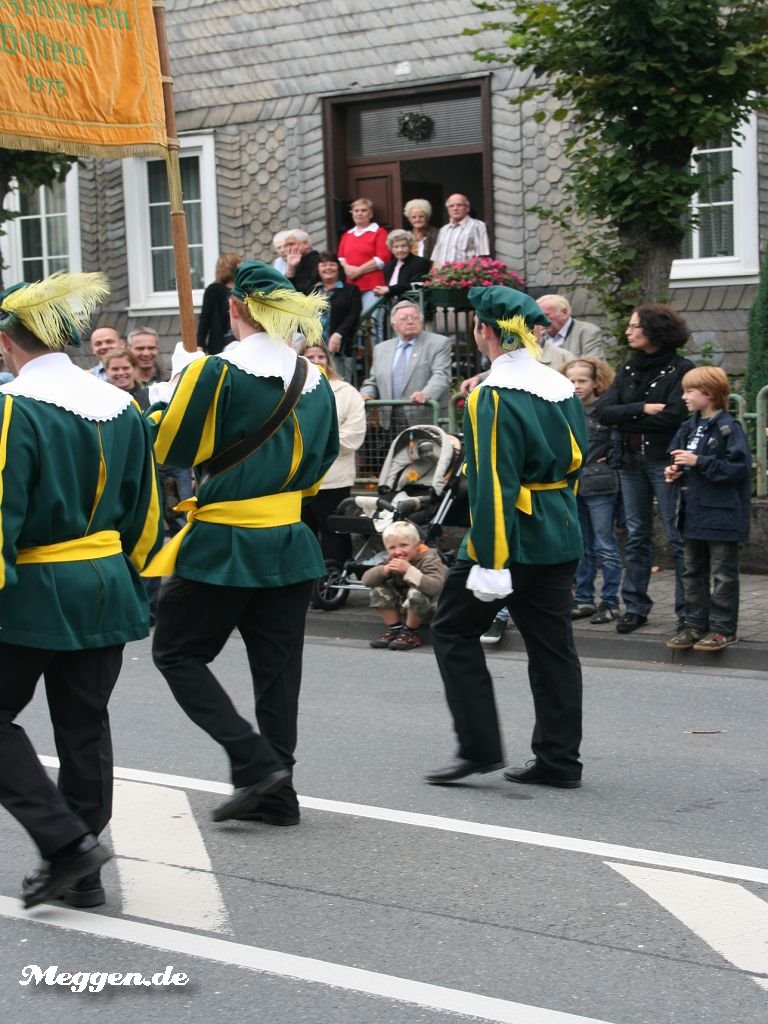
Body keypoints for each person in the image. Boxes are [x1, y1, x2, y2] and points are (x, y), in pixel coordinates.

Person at [146, 261, 339, 828]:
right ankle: (279, 794)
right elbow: (323, 461)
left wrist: (173, 388)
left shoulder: (216, 371)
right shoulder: (315, 379)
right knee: (277, 673)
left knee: (176, 652)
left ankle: (256, 765)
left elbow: (170, 449)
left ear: (234, 309)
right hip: (290, 538)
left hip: (226, 538)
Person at [0, 271, 162, 909]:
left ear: (7, 342)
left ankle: (68, 846)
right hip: (107, 581)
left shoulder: (14, 408)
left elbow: (2, 510)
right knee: (84, 727)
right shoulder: (122, 406)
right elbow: (146, 511)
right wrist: (130, 574)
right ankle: (83, 875)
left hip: (35, 587)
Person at [425, 285, 587, 790]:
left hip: (508, 539)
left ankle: (479, 747)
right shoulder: (561, 387)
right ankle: (559, 759)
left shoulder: (491, 396)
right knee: (553, 649)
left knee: (452, 631)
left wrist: (492, 561)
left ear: (484, 331)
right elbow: (575, 464)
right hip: (558, 530)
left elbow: (494, 483)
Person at [596, 304, 695, 634]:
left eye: (634, 326)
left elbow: (674, 416)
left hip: (664, 461)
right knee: (636, 535)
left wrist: (626, 417)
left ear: (654, 330)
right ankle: (635, 607)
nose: (628, 331)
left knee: (676, 535)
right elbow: (603, 411)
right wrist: (642, 408)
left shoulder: (681, 369)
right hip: (630, 461)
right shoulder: (629, 368)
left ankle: (688, 611)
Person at [664, 367, 751, 653]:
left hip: (722, 514)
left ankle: (723, 629)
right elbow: (677, 458)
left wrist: (699, 462)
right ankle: (694, 625)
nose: (684, 397)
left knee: (723, 574)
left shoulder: (729, 428)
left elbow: (738, 469)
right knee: (692, 570)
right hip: (691, 513)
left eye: (690, 391)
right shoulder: (688, 427)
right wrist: (674, 470)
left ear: (710, 393)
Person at [562, 358, 622, 624]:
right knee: (581, 544)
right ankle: (584, 598)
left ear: (596, 382)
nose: (576, 386)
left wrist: (610, 459)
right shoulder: (564, 410)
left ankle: (610, 601)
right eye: (571, 380)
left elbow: (617, 443)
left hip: (600, 485)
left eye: (582, 380)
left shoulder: (604, 411)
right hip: (573, 485)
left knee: (604, 544)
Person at [298, 338, 366, 564]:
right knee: (303, 533)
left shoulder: (347, 393)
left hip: (334, 478)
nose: (317, 361)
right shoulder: (291, 390)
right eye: (310, 357)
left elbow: (354, 434)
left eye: (321, 356)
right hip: (300, 477)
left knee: (334, 534)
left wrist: (317, 443)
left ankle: (336, 579)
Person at [359, 299, 452, 432]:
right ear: (394, 324)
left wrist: (426, 394)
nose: (410, 321)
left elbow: (441, 375)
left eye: (415, 318)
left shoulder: (439, 343)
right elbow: (374, 381)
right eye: (404, 318)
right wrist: (365, 395)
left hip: (425, 418)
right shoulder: (381, 349)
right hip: (391, 421)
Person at [362, 520, 448, 652]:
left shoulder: (429, 558)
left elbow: (435, 587)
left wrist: (409, 570)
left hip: (434, 605)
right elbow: (366, 581)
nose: (398, 551)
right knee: (377, 586)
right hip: (405, 603)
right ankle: (395, 628)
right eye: (392, 548)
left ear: (417, 545)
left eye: (404, 545)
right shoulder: (392, 559)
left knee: (416, 591)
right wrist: (385, 569)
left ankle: (411, 632)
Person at [337, 197, 390, 317]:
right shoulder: (347, 235)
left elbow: (382, 259)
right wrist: (347, 268)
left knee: (371, 321)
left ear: (370, 214)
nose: (359, 213)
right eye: (356, 211)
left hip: (373, 286)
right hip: (351, 287)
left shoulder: (379, 232)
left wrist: (359, 271)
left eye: (363, 210)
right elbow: (341, 258)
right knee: (353, 321)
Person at [316, 250, 362, 383]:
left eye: (332, 264)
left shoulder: (351, 290)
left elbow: (353, 315)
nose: (328, 268)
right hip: (315, 349)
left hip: (340, 348)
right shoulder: (312, 290)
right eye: (323, 265)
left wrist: (338, 334)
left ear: (338, 267)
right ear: (317, 269)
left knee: (340, 384)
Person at [197, 252, 241, 354]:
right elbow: (205, 319)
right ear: (231, 266)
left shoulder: (243, 288)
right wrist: (200, 345)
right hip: (222, 345)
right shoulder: (214, 290)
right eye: (239, 264)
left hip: (242, 343)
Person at [537, 294, 605, 359]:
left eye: (546, 315)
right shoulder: (539, 336)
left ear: (564, 313)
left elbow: (594, 363)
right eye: (539, 317)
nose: (541, 321)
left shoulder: (587, 332)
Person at [430, 194, 490, 266]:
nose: (455, 208)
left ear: (467, 208)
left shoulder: (477, 226)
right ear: (448, 210)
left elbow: (482, 256)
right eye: (451, 206)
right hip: (441, 272)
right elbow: (436, 259)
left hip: (465, 273)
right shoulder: (443, 230)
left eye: (459, 205)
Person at [373, 229, 432, 303]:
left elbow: (417, 284)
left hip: (412, 305)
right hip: (391, 306)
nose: (400, 250)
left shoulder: (420, 262)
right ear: (391, 249)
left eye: (403, 246)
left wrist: (389, 289)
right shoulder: (389, 266)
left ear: (410, 246)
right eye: (396, 247)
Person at [282, 230, 321, 295]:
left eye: (291, 244)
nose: (288, 248)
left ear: (305, 244)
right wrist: (291, 268)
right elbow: (285, 289)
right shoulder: (295, 262)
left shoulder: (318, 260)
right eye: (286, 246)